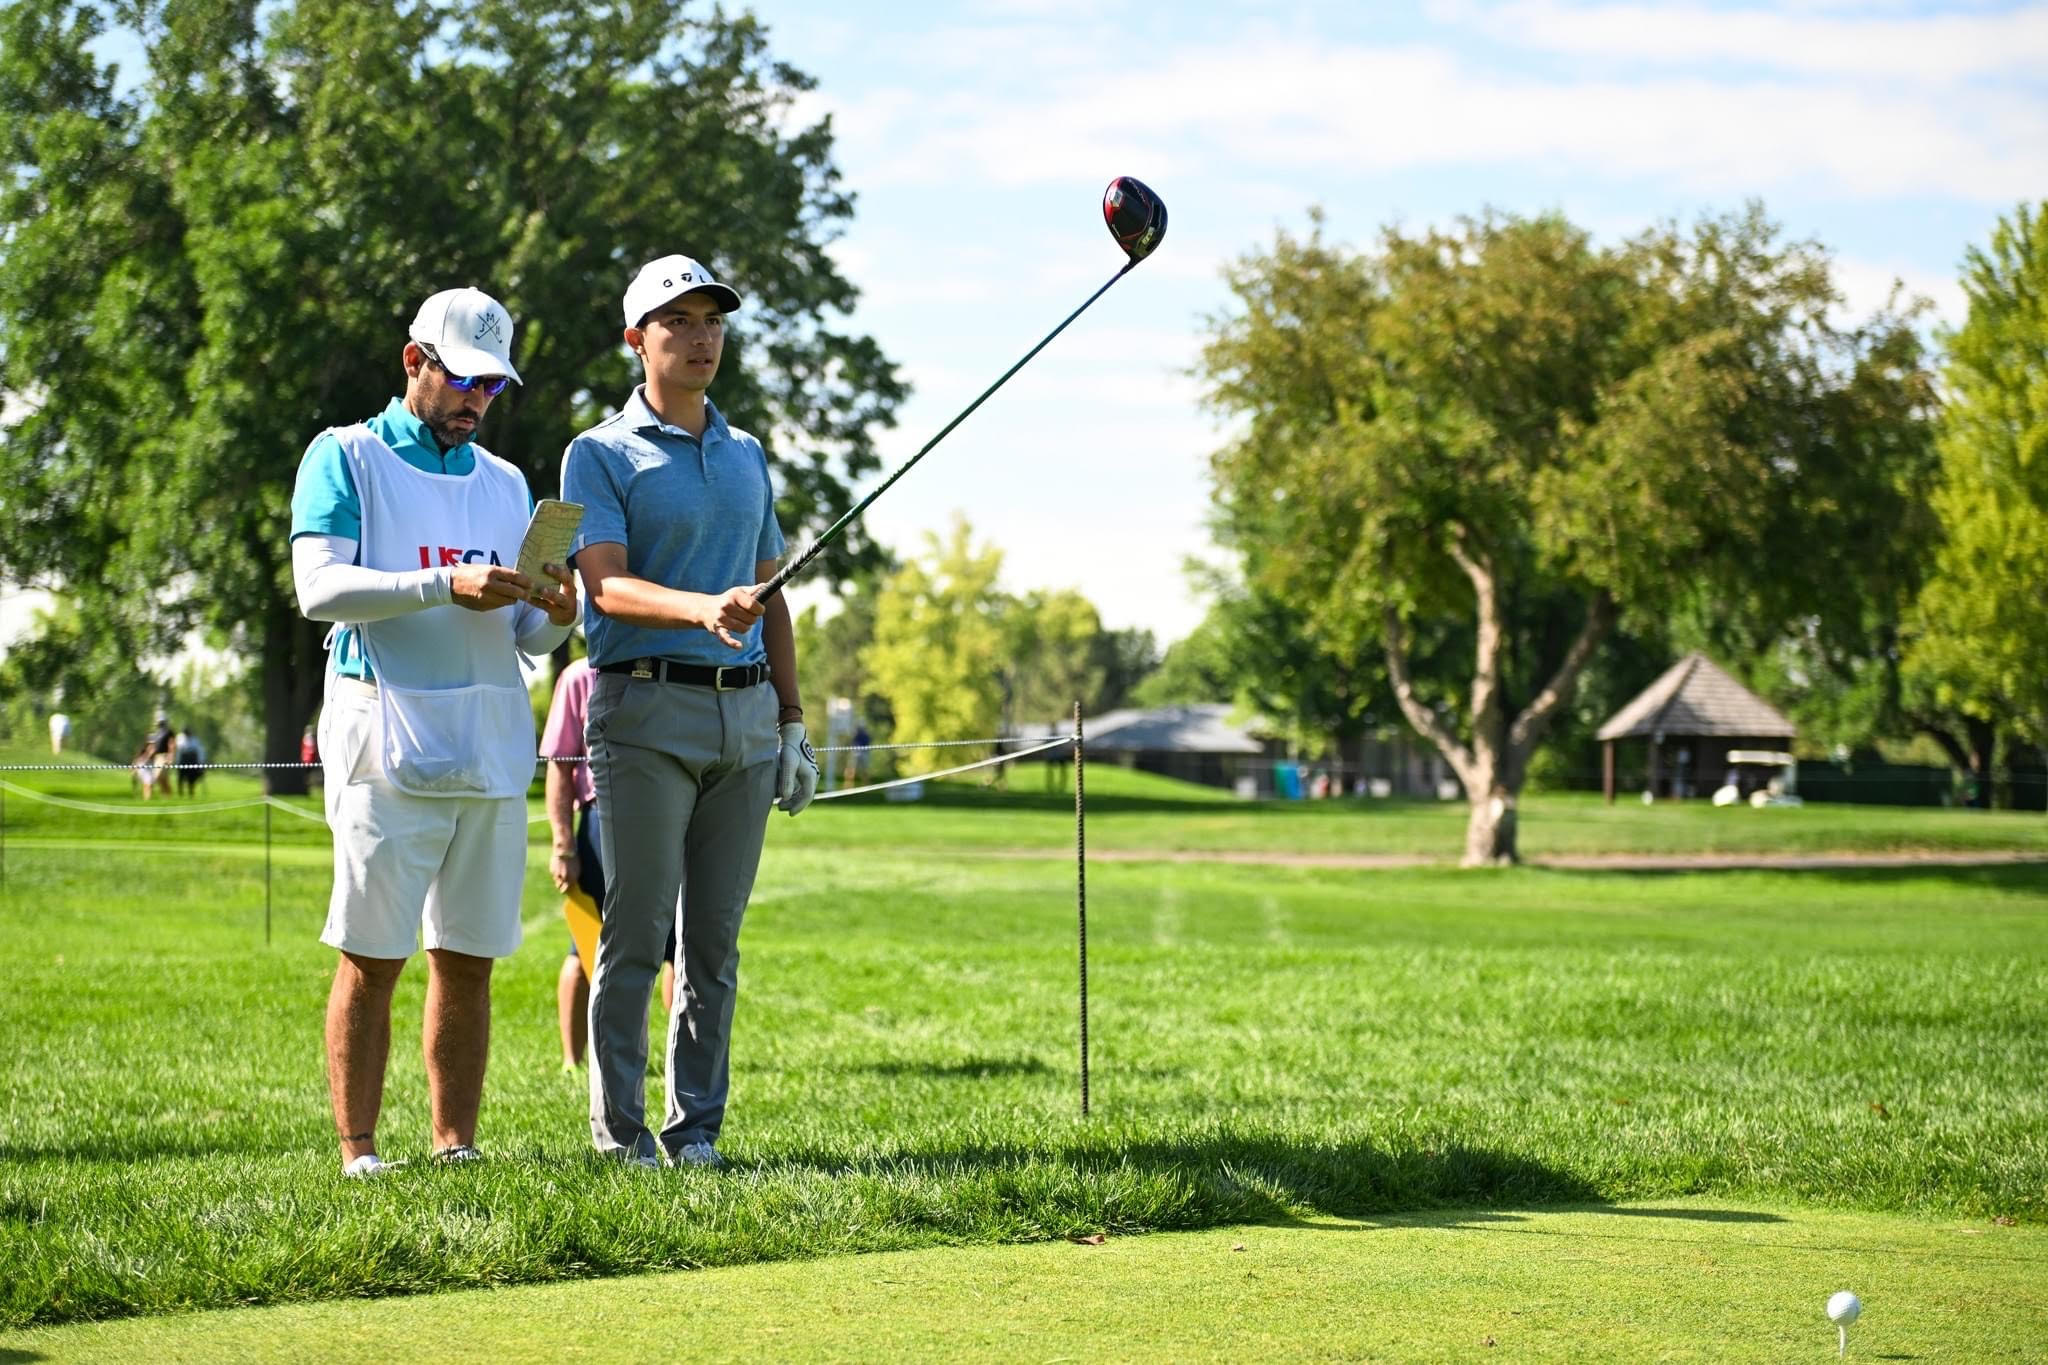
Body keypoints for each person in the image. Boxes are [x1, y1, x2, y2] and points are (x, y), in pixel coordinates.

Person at [289, 286, 578, 1178]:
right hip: (382, 729)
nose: (477, 402)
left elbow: (523, 633)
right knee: (373, 953)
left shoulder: (506, 483)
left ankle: (455, 1147)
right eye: (463, 381)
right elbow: (319, 589)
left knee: (469, 956)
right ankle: (361, 1152)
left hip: (488, 734)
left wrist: (559, 610)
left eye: (492, 387)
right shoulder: (345, 456)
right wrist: (442, 583)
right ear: (414, 361)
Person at [562, 254, 819, 1169]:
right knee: (635, 934)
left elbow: (771, 593)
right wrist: (702, 607)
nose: (702, 336)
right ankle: (621, 1136)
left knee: (713, 942)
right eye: (680, 322)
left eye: (714, 320)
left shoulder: (747, 453)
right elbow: (606, 585)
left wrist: (792, 720)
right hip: (643, 710)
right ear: (639, 339)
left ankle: (696, 1130)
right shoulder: (597, 452)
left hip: (745, 720)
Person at [540, 655, 673, 1069]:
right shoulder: (578, 677)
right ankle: (571, 1060)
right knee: (585, 946)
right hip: (601, 822)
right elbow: (560, 766)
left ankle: (676, 1057)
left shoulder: (666, 667)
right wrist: (564, 846)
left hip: (666, 814)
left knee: (673, 945)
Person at [173, 728, 206, 796]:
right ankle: (180, 792)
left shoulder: (195, 740)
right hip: (183, 760)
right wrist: (177, 761)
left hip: (192, 760)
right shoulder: (180, 738)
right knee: (180, 777)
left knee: (192, 777)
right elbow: (179, 750)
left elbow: (199, 751)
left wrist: (200, 761)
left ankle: (191, 791)